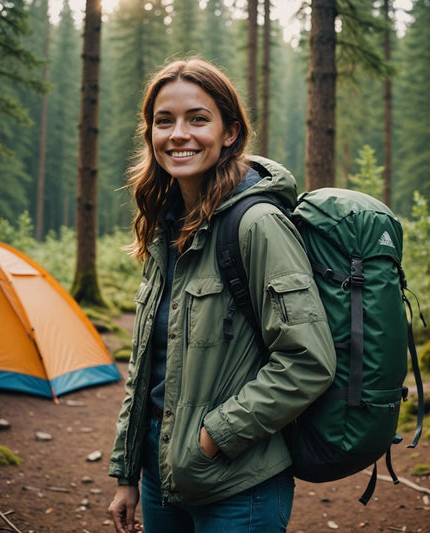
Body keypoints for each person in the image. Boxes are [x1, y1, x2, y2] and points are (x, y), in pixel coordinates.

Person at [108, 56, 336, 533]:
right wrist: (127, 472)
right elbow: (149, 360)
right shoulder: (165, 227)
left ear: (230, 132)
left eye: (198, 119)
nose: (178, 134)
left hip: (239, 483)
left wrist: (215, 436)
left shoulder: (258, 225)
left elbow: (308, 359)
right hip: (159, 470)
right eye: (163, 121)